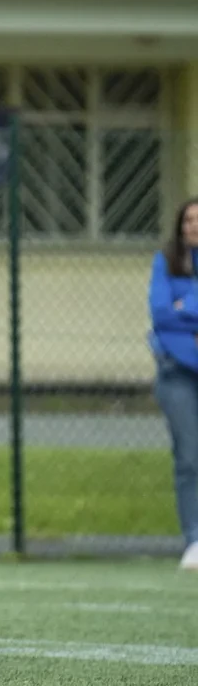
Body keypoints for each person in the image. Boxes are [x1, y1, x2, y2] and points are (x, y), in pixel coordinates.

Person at [148, 198, 198, 571]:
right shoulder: (165, 262)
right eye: (189, 219)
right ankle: (195, 540)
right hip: (177, 373)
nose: (194, 225)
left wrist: (187, 304)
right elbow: (162, 314)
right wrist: (180, 311)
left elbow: (177, 311)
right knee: (189, 457)